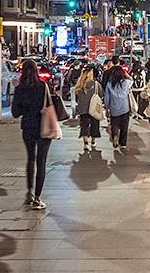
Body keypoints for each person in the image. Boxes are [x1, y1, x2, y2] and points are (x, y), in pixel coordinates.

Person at [9, 58, 66, 209]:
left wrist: (25, 109)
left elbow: (15, 113)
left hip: (28, 127)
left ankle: (29, 192)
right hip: (43, 127)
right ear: (36, 71)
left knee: (30, 159)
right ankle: (38, 198)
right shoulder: (43, 87)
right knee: (41, 162)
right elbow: (49, 105)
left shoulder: (20, 89)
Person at [102, 59, 134, 154]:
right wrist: (126, 74)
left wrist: (107, 108)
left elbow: (107, 97)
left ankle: (115, 135)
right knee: (124, 126)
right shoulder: (125, 83)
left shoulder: (109, 84)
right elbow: (131, 80)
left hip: (114, 107)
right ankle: (122, 143)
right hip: (125, 107)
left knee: (114, 124)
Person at [73, 63, 101, 151]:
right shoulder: (96, 84)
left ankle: (85, 143)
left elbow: (76, 97)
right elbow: (101, 94)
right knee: (95, 125)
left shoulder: (80, 85)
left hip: (83, 109)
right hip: (93, 108)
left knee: (84, 126)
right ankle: (93, 141)